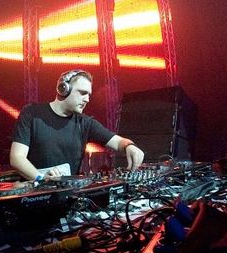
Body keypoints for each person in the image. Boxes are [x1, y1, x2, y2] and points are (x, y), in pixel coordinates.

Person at [10, 69, 145, 181]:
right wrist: (41, 178)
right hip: (34, 194)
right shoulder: (32, 114)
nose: (87, 99)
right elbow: (17, 158)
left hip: (69, 196)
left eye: (89, 95)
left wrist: (129, 146)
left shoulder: (85, 123)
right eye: (82, 93)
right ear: (63, 89)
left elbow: (118, 142)